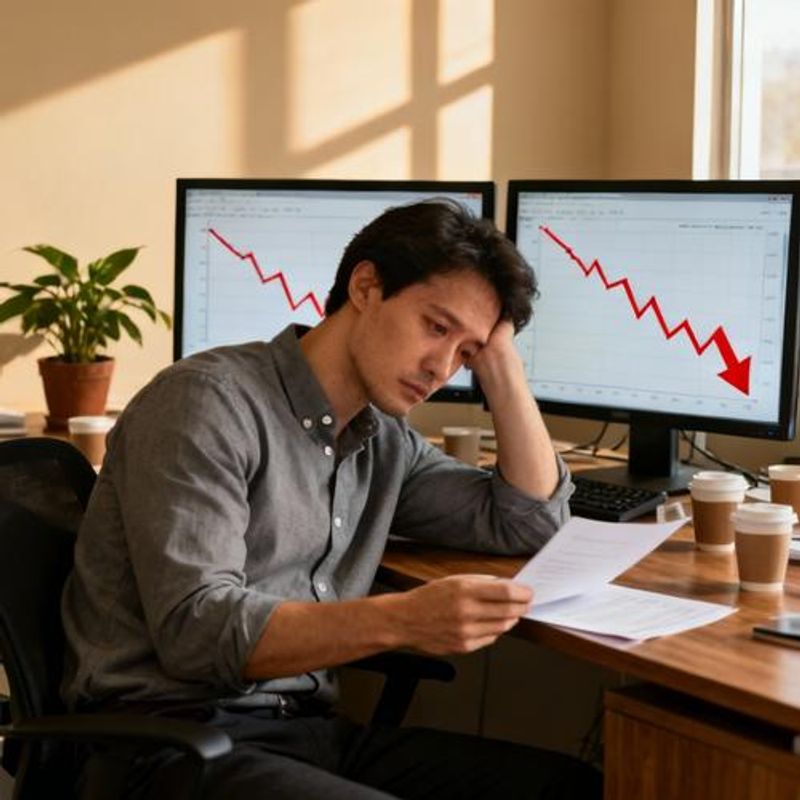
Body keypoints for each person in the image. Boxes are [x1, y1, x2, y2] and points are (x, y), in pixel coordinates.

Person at [61, 200, 601, 798]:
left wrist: (502, 367)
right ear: (365, 287)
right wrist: (402, 620)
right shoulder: (206, 402)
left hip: (303, 733)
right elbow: (198, 632)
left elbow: (529, 521)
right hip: (165, 744)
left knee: (570, 788)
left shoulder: (384, 440)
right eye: (436, 327)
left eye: (465, 353)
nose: (441, 368)